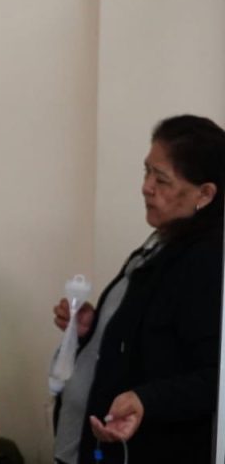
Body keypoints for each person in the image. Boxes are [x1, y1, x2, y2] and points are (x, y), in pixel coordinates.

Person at [52, 115, 225, 464]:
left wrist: (147, 400)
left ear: (204, 194)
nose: (146, 187)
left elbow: (214, 377)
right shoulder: (161, 243)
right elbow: (146, 340)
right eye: (147, 172)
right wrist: (95, 329)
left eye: (161, 180)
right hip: (88, 444)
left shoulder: (206, 261)